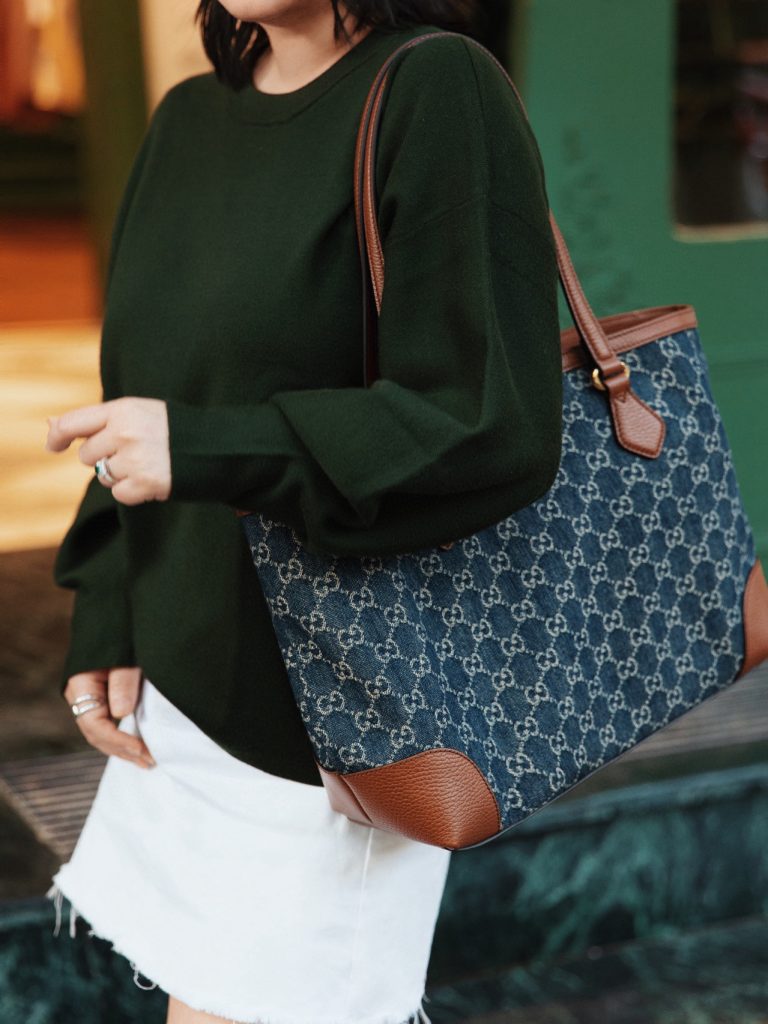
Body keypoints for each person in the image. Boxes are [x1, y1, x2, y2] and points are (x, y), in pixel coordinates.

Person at [43, 1, 563, 1022]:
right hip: (184, 684)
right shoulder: (189, 118)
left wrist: (207, 449)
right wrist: (110, 605)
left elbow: (482, 420)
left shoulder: (434, 87)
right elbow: (142, 391)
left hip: (332, 709)